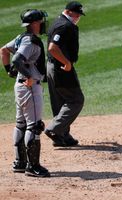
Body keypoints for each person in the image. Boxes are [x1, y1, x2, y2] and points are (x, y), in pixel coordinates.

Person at [0, 9, 50, 177]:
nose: (43, 23)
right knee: (34, 126)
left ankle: (20, 162)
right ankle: (33, 166)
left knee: (21, 123)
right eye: (41, 21)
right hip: (29, 86)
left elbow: (4, 50)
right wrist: (28, 76)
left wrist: (9, 71)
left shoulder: (21, 37)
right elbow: (16, 59)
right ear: (35, 23)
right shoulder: (30, 41)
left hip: (20, 86)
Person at [44, 1, 85, 147]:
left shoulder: (57, 22)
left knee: (59, 102)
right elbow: (53, 48)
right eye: (77, 14)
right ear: (68, 12)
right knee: (76, 100)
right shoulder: (64, 26)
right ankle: (54, 129)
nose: (78, 17)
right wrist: (66, 63)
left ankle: (62, 136)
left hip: (52, 67)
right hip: (61, 68)